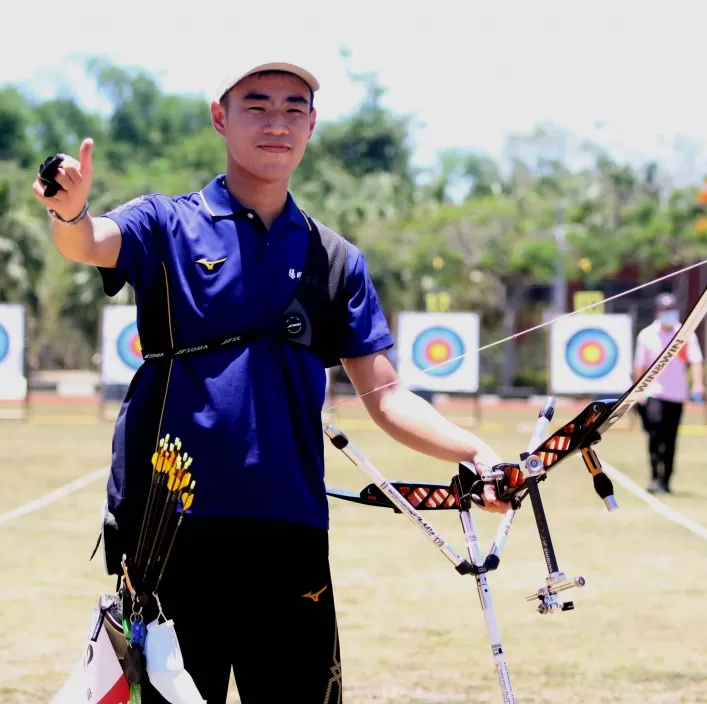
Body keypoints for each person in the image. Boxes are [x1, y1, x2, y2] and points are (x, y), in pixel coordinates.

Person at [32, 59, 518, 703]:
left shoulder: (335, 258)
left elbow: (387, 396)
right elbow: (91, 242)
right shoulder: (168, 223)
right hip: (169, 528)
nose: (277, 123)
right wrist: (69, 213)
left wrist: (475, 453)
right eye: (256, 105)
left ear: (312, 125)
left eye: (294, 108)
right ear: (220, 117)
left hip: (288, 529)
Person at [633, 292, 705, 494]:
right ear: (657, 312)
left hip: (676, 394)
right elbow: (639, 366)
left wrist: (698, 385)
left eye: (671, 310)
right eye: (665, 310)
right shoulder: (647, 335)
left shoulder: (685, 334)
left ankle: (666, 480)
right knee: (655, 434)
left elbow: (695, 361)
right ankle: (655, 476)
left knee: (670, 439)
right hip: (654, 393)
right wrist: (638, 391)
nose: (668, 314)